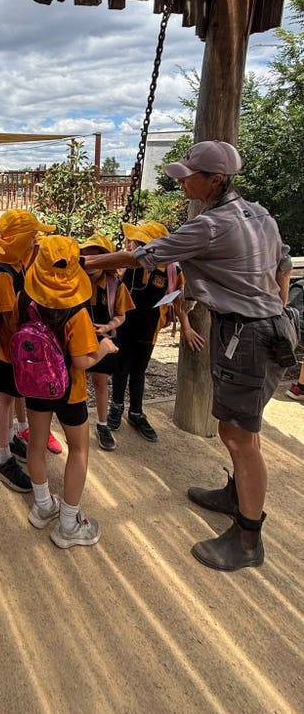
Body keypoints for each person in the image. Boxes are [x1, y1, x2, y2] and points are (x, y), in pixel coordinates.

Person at [84, 141, 293, 571]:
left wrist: (86, 262)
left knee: (239, 435)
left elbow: (145, 255)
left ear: (215, 180)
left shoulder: (211, 225)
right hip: (267, 328)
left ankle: (249, 537)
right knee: (240, 427)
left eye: (189, 174)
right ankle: (236, 496)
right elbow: (285, 263)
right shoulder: (258, 213)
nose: (181, 180)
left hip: (247, 336)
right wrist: (275, 307)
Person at [19, 235, 116, 548]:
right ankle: (69, 524)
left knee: (36, 443)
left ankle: (43, 505)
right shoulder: (76, 310)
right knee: (78, 449)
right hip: (69, 390)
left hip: (35, 385)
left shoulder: (25, 298)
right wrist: (102, 349)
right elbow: (81, 360)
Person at [0, 210, 58, 493]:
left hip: (15, 350)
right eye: (30, 237)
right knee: (4, 400)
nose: (33, 242)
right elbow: (9, 320)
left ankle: (13, 437)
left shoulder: (13, 263)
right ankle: (1, 456)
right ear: (17, 240)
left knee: (14, 394)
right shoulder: (3, 275)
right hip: (8, 351)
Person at [105, 221, 184, 444]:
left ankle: (136, 412)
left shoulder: (171, 270)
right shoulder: (127, 266)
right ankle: (116, 407)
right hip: (125, 326)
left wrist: (180, 322)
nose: (134, 246)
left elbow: (177, 297)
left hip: (148, 329)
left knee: (139, 371)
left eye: (140, 243)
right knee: (121, 369)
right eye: (135, 242)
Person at [79, 233, 135, 451]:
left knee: (100, 382)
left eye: (97, 258)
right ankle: (77, 422)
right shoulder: (74, 279)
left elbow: (121, 315)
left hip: (104, 339)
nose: (91, 264)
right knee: (76, 381)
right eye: (86, 257)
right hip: (77, 338)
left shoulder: (114, 284)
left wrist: (108, 327)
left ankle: (102, 425)